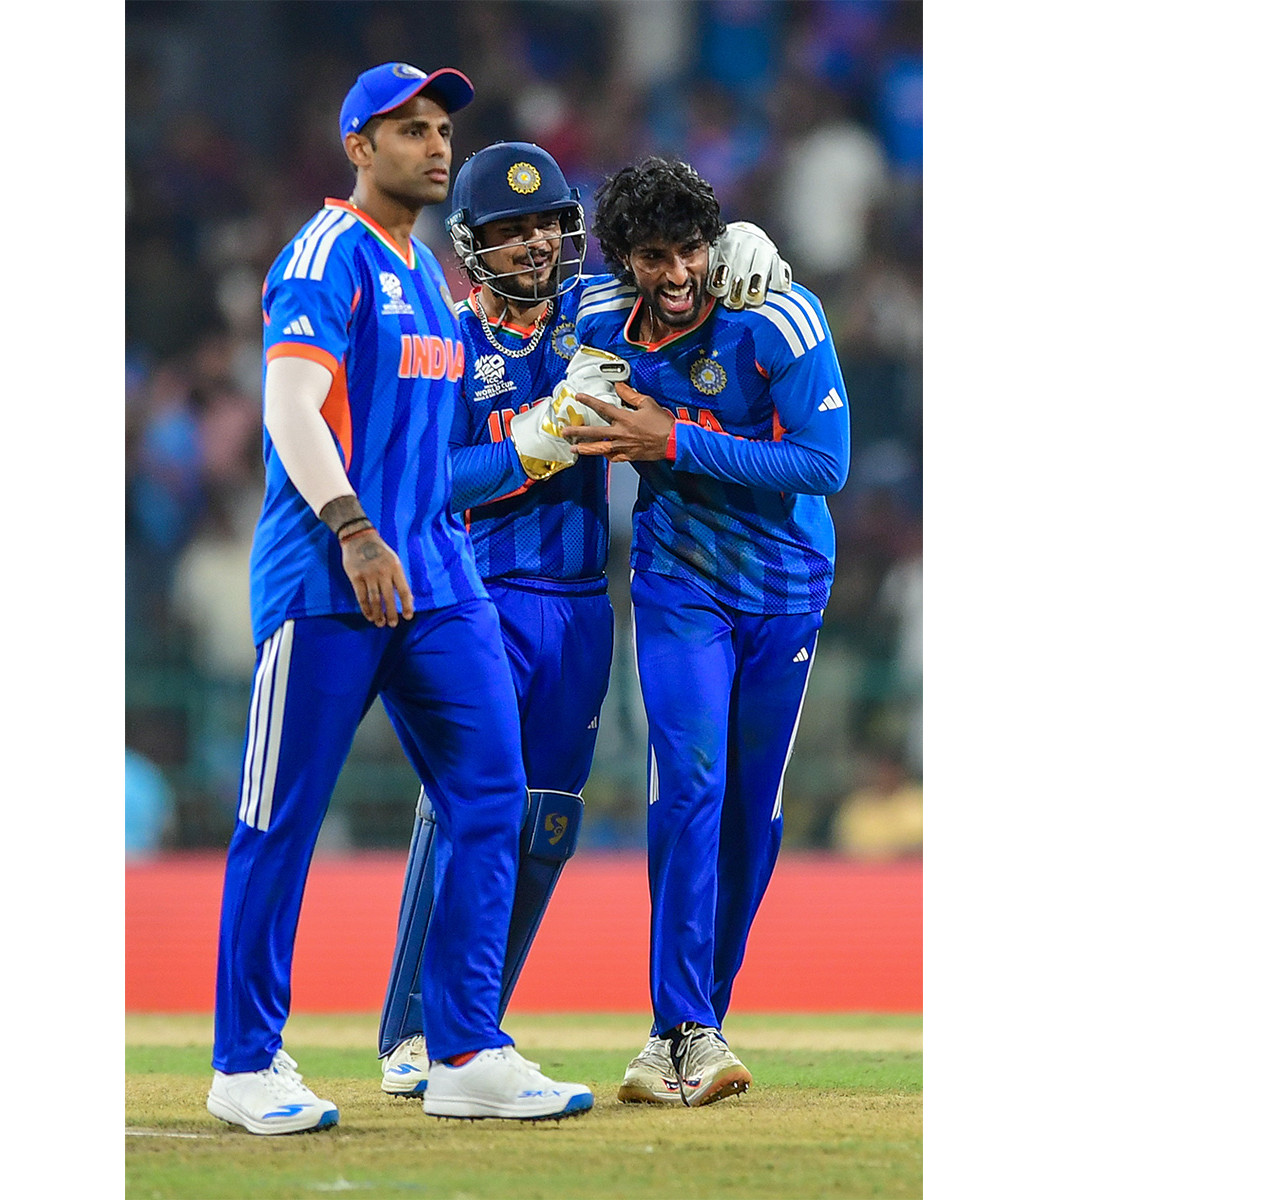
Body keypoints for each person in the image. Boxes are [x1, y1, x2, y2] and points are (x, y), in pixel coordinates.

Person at [206, 63, 593, 1137]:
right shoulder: (323, 254)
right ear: (358, 147)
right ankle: (245, 1062)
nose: (435, 146)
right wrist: (352, 527)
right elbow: (290, 407)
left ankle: (462, 1050)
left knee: (492, 797)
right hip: (329, 579)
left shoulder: (425, 271)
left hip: (440, 579)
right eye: (410, 129)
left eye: (441, 130)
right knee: (279, 819)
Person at [374, 141, 795, 1097]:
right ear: (472, 244)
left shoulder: (595, 312)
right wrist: (531, 443)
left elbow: (682, 271)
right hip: (476, 595)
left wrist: (747, 240)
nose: (533, 245)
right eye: (510, 230)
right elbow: (428, 480)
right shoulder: (444, 340)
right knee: (466, 804)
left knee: (548, 822)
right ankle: (413, 1032)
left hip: (578, 607)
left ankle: (474, 1029)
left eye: (546, 225)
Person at [560, 157, 851, 1108]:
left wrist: (673, 441)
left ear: (713, 242)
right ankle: (679, 1026)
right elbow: (504, 312)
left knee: (751, 817)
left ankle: (694, 1025)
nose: (677, 272)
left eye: (691, 249)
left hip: (785, 587)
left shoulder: (777, 314)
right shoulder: (596, 316)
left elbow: (826, 464)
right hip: (679, 582)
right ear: (625, 260)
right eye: (654, 255)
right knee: (691, 784)